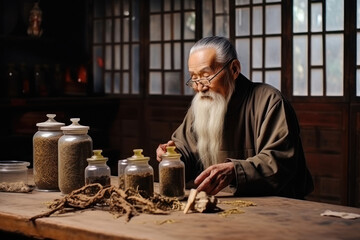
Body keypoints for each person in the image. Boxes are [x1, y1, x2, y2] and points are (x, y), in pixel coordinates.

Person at [156, 36, 314, 199]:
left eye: (205, 76)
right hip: (220, 201)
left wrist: (235, 171)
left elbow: (281, 161)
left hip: (275, 204)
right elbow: (187, 148)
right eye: (194, 78)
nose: (199, 87)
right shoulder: (203, 104)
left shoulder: (269, 101)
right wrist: (174, 156)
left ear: (234, 69)